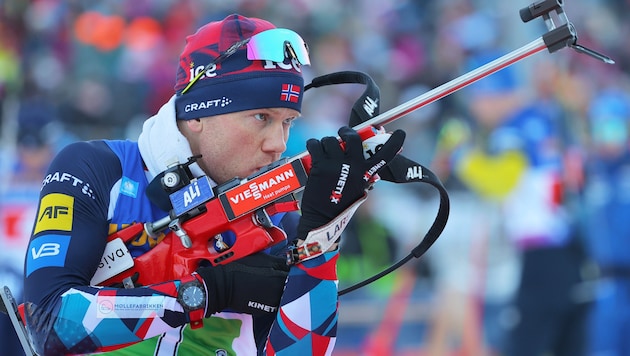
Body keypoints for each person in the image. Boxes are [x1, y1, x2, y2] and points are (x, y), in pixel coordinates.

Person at [21, 14, 405, 356]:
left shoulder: (275, 221)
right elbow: (48, 322)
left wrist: (322, 237)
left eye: (287, 121)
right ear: (199, 115)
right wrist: (207, 293)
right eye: (261, 117)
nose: (279, 143)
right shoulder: (97, 169)